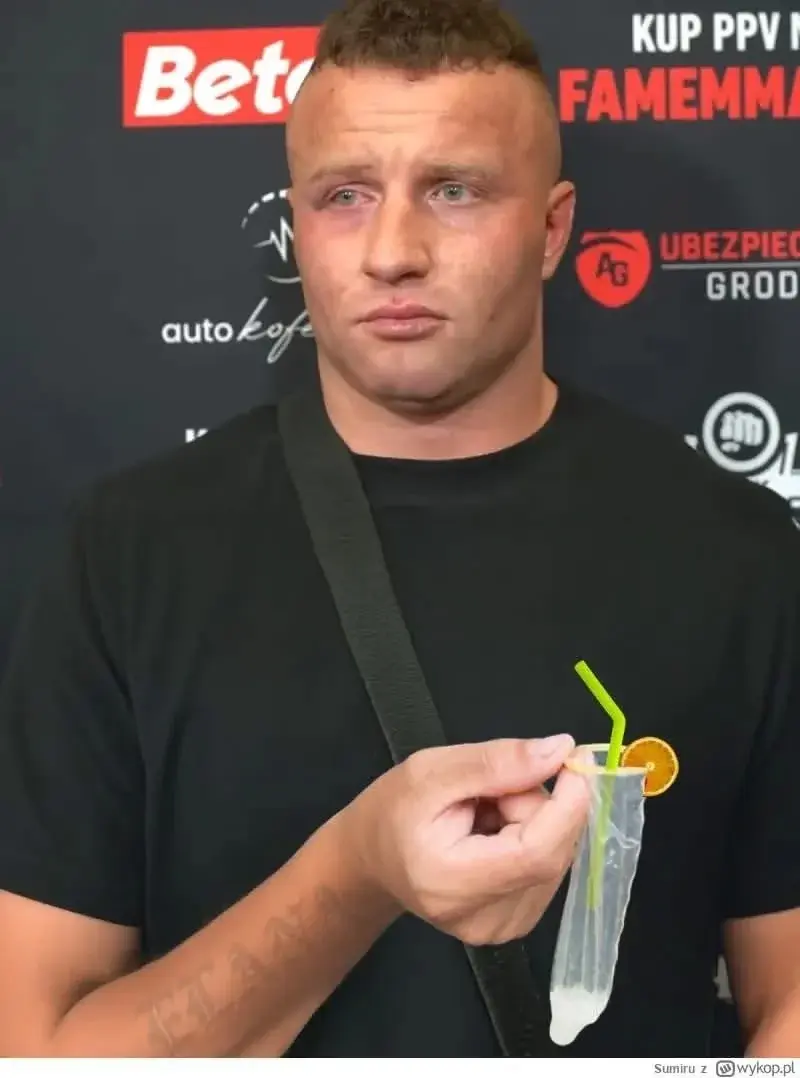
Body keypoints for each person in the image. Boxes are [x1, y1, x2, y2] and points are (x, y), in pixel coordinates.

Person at [0, 0, 798, 1059]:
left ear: (553, 228)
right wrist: (356, 874)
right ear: (295, 222)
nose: (392, 252)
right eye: (344, 196)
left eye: (454, 190)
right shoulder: (126, 556)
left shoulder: (739, 555)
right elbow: (41, 1050)